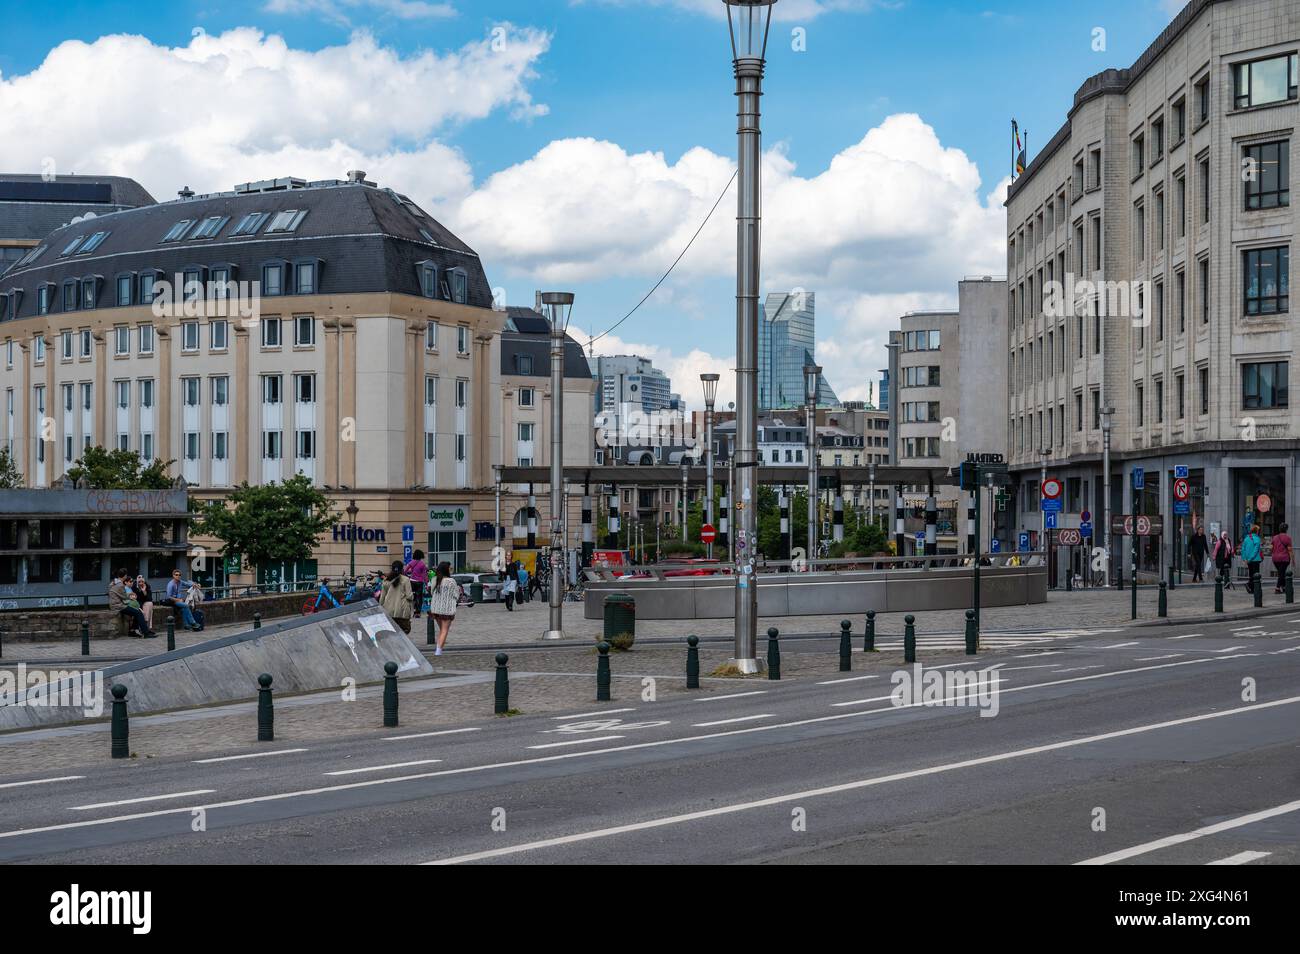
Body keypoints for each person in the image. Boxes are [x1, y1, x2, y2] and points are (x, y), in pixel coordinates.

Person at [428, 561, 461, 656]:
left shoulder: (435, 579)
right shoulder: (451, 581)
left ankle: (439, 648)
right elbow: (456, 595)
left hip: (435, 609)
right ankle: (438, 651)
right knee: (444, 630)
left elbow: (431, 592)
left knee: (442, 629)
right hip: (446, 609)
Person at [109, 568, 153, 637]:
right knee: (138, 613)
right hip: (119, 606)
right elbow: (124, 597)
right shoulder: (120, 585)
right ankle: (146, 633)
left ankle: (133, 630)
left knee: (136, 611)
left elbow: (119, 594)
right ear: (124, 576)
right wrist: (132, 595)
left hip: (114, 604)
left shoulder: (113, 582)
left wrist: (130, 595)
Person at [380, 560, 414, 634]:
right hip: (402, 611)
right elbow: (409, 596)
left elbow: (382, 598)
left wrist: (381, 609)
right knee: (404, 632)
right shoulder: (406, 579)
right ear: (402, 569)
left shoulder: (386, 580)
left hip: (388, 610)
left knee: (392, 633)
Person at [405, 549, 429, 619]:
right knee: (419, 597)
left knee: (413, 596)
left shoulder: (411, 562)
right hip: (419, 582)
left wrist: (407, 576)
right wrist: (427, 583)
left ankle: (413, 610)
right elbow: (424, 575)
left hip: (412, 581)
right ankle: (418, 612)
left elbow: (405, 570)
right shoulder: (422, 564)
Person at [1271, 522, 1293, 594]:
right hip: (1284, 558)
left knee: (1281, 573)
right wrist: (1293, 559)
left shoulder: (1274, 537)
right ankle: (1277, 588)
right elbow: (1289, 550)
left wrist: (1273, 554)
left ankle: (1283, 587)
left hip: (1275, 558)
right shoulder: (1288, 538)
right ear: (1286, 529)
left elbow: (1271, 548)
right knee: (1281, 574)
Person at [1241, 524, 1263, 593]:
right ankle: (1251, 586)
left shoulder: (1246, 538)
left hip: (1248, 560)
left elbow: (1243, 549)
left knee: (1251, 574)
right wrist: (1250, 558)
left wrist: (1244, 558)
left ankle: (1252, 588)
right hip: (1255, 559)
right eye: (1258, 531)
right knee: (1256, 575)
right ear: (1257, 531)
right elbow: (1256, 550)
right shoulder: (1257, 538)